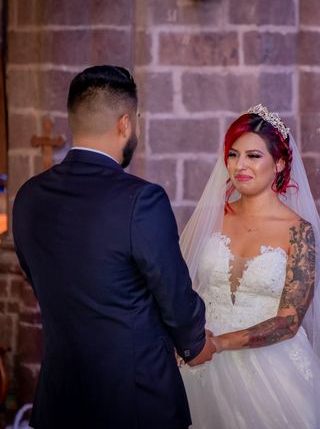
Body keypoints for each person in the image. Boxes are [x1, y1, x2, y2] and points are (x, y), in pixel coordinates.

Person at [13, 65, 216, 429]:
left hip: (59, 398)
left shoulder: (28, 196)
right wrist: (194, 343)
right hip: (134, 400)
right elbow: (171, 291)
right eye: (136, 120)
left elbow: (37, 277)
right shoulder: (141, 199)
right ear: (125, 123)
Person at [179, 104, 320, 428]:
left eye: (253, 156)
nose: (240, 165)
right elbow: (177, 288)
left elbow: (290, 321)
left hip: (270, 367)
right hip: (197, 360)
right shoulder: (210, 218)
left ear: (279, 162)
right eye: (233, 155)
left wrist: (219, 344)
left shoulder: (299, 232)